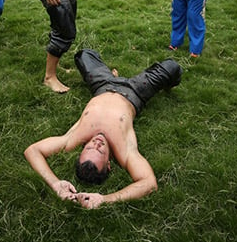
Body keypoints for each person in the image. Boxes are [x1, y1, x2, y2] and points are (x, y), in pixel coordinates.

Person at [24, 48, 182, 209]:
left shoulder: (72, 140)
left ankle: (111, 74)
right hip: (135, 91)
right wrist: (105, 199)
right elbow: (149, 183)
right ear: (108, 164)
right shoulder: (124, 151)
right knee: (172, 67)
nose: (96, 143)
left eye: (89, 147)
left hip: (103, 85)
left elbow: (32, 150)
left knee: (83, 54)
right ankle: (168, 83)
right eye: (100, 150)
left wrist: (56, 184)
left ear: (81, 150)